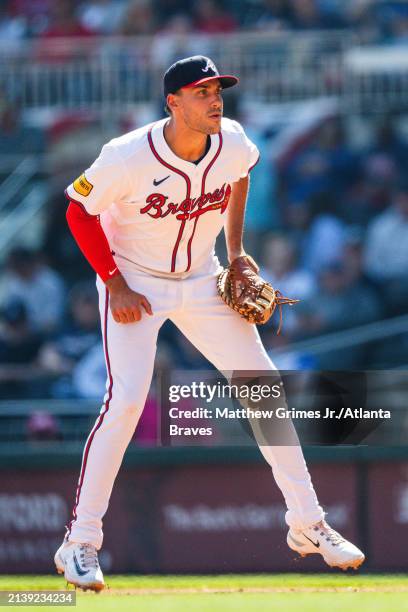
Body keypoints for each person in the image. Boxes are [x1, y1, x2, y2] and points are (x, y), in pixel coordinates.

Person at [54, 55, 364, 591]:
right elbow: (77, 211)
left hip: (201, 277)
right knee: (126, 399)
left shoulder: (233, 141)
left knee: (263, 387)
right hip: (134, 279)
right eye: (201, 91)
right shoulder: (126, 155)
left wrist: (238, 250)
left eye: (217, 88)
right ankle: (79, 542)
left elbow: (241, 175)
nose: (214, 97)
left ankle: (308, 524)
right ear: (173, 102)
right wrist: (115, 282)